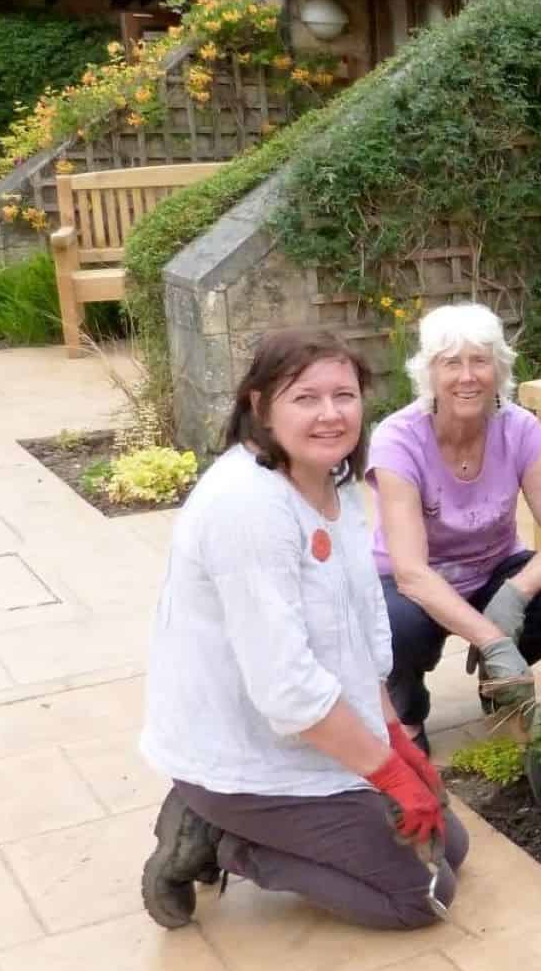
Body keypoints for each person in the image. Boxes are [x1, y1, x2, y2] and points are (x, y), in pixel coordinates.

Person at [138, 328, 466, 931]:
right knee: (423, 896)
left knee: (452, 844)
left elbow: (357, 638)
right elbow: (286, 687)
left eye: (344, 395)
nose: (330, 414)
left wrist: (396, 740)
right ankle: (218, 836)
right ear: (260, 406)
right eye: (305, 398)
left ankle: (240, 829)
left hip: (316, 733)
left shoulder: (332, 480)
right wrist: (389, 774)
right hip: (244, 754)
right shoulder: (248, 507)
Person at [369, 303, 541, 750]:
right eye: (451, 362)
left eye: (479, 360)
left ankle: (497, 678)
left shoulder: (520, 429)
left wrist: (511, 600)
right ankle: (408, 708)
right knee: (395, 627)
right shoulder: (398, 440)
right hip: (413, 582)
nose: (467, 376)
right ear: (429, 374)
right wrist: (491, 637)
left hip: (492, 568)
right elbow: (411, 572)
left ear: (498, 369)